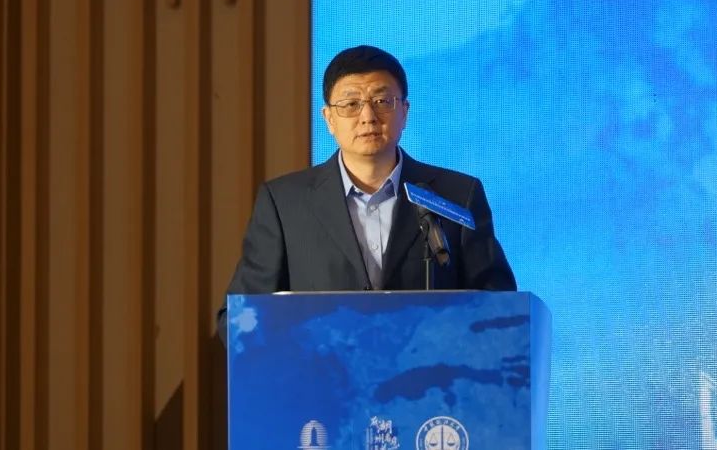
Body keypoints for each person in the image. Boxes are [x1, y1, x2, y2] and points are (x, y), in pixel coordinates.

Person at [219, 45, 515, 334]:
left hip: (431, 367)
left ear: (404, 112)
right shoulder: (285, 203)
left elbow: (499, 309)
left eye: (382, 101)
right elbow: (239, 318)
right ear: (329, 119)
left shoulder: (457, 195)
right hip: (322, 366)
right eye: (351, 104)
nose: (368, 117)